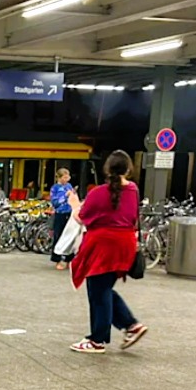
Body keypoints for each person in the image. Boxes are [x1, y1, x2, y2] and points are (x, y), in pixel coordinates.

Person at [68, 151, 148, 354]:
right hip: (125, 244)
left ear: (107, 169)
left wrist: (74, 205)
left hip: (102, 245)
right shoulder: (133, 190)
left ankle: (98, 339)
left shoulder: (98, 192)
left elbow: (81, 217)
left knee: (97, 291)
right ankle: (130, 325)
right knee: (103, 288)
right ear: (128, 170)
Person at [49, 169, 76, 270]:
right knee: (58, 236)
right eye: (64, 177)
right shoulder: (55, 188)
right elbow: (55, 203)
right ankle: (57, 260)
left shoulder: (69, 186)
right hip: (60, 213)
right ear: (59, 177)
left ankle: (69, 260)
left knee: (70, 236)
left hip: (69, 212)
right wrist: (65, 196)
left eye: (67, 177)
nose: (66, 179)